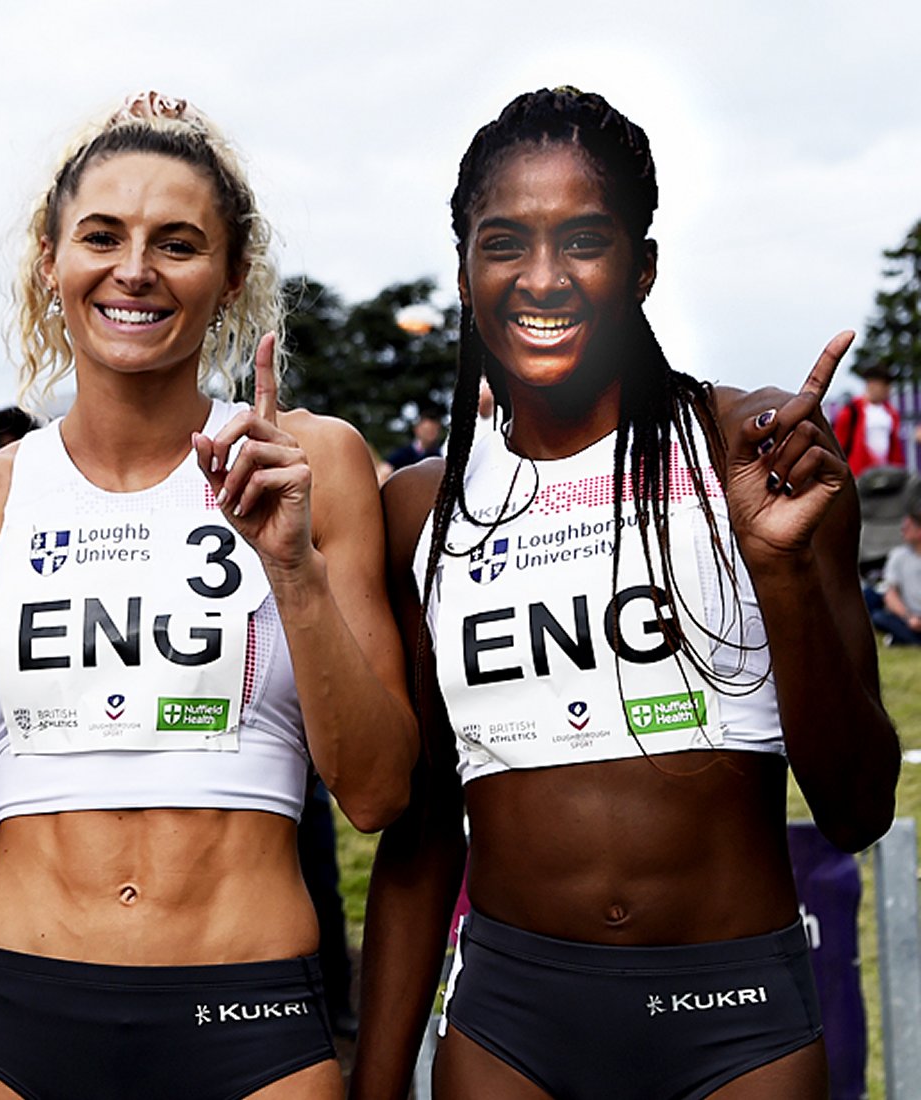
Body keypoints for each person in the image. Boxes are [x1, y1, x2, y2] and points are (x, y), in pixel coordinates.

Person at [0, 91, 416, 1100]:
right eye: (100, 235)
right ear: (49, 260)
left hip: (245, 1014)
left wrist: (293, 568)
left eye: (177, 241)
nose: (134, 269)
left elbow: (373, 790)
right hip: (11, 1014)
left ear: (231, 273)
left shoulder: (307, 460)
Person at [353, 88, 898, 1100]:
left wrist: (774, 570)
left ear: (641, 266)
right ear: (466, 267)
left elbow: (857, 805)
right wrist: (374, 1083)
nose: (542, 277)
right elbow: (421, 832)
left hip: (735, 1019)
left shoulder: (754, 450)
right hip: (510, 1023)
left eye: (584, 239)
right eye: (503, 241)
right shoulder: (418, 508)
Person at [832, 362, 903, 476]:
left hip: (886, 472)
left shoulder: (891, 413)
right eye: (884, 385)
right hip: (859, 472)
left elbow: (894, 446)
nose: (888, 390)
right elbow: (839, 445)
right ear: (871, 384)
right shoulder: (851, 411)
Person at [872, 502, 921, 645]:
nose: (902, 531)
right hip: (910, 618)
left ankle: (903, 640)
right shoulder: (898, 556)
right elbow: (890, 594)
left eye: (907, 527)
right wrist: (909, 618)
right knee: (879, 617)